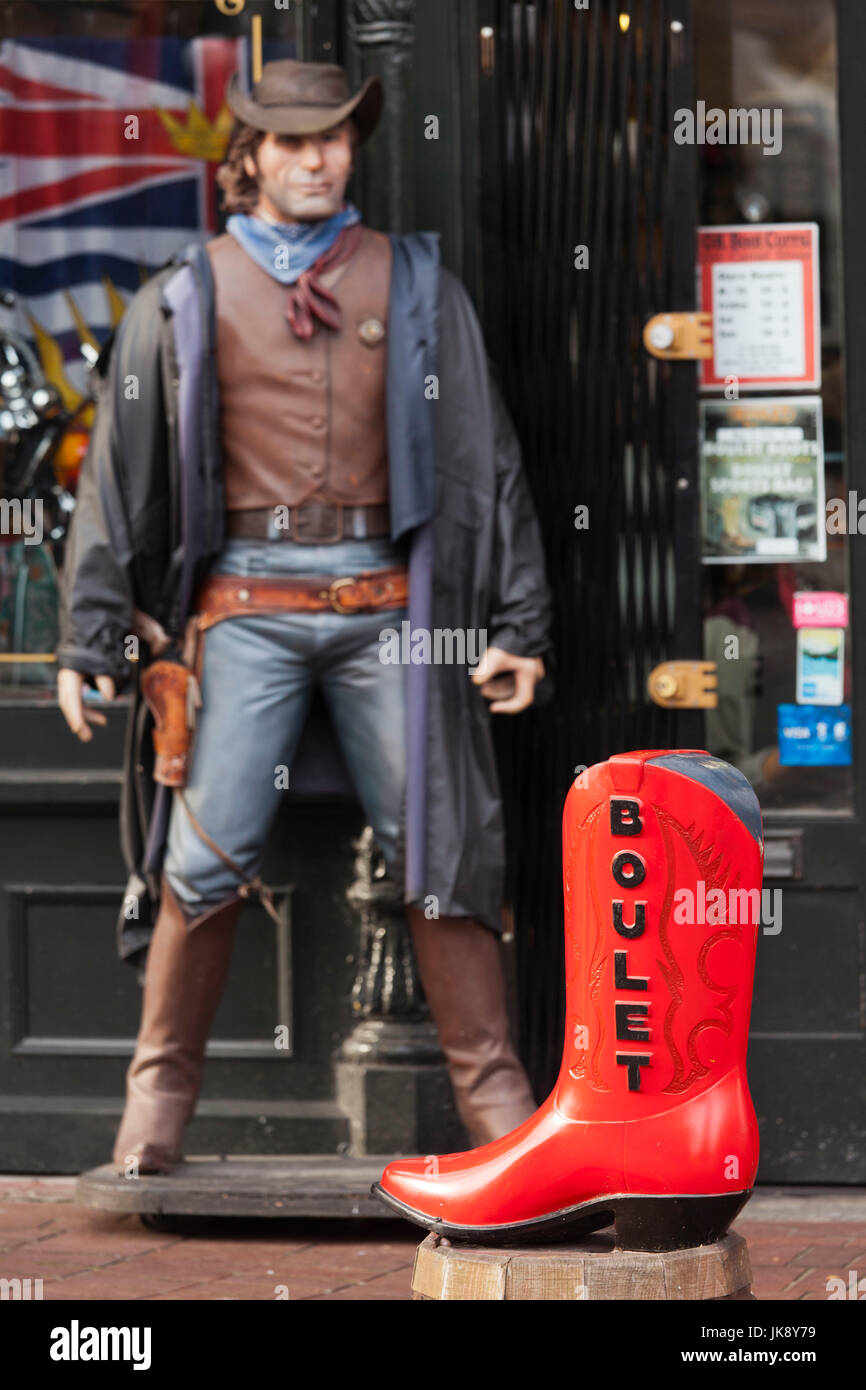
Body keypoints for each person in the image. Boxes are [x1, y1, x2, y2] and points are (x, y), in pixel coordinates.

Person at [56, 59, 553, 1174]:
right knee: (205, 850)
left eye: (332, 137)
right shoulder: (185, 296)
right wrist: (91, 642)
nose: (317, 157)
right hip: (245, 614)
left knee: (441, 848)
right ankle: (154, 1111)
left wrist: (517, 621)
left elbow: (486, 458)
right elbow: (117, 482)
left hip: (392, 610)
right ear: (250, 160)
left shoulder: (416, 283)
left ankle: (499, 1116)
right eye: (291, 142)